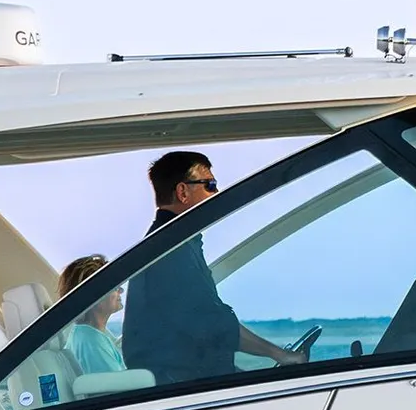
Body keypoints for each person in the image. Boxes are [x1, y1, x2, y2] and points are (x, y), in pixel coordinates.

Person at [120, 149, 317, 386]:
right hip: (180, 389)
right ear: (183, 192)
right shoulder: (169, 251)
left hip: (188, 381)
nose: (217, 192)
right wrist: (280, 355)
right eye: (210, 185)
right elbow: (210, 322)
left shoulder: (174, 244)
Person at [55, 255, 128, 377]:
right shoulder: (91, 341)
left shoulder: (89, 334)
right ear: (95, 295)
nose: (121, 290)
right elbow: (120, 386)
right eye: (115, 286)